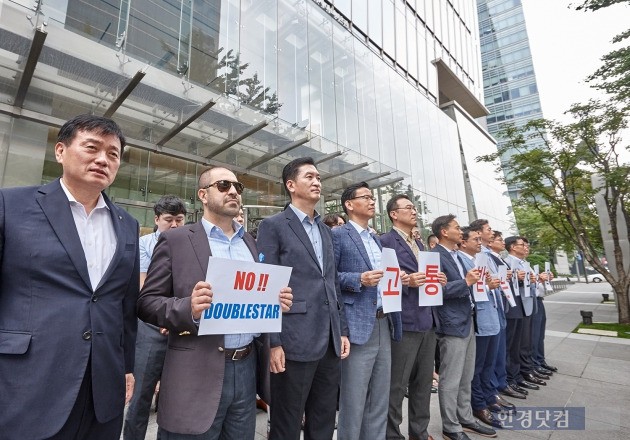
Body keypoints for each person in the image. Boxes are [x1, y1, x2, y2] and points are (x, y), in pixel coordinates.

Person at [0, 114, 139, 439]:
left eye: (113, 154)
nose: (103, 159)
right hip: (27, 382)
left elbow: (125, 305)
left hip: (103, 388)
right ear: (60, 151)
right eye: (92, 147)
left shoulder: (127, 223)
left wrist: (127, 366)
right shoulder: (11, 204)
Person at [137, 167, 292, 439]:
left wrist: (274, 299)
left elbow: (252, 298)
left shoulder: (250, 243)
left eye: (237, 187)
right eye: (223, 185)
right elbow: (147, 303)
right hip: (195, 372)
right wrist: (189, 308)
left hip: (245, 370)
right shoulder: (176, 240)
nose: (233, 191)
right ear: (203, 195)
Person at [256, 157, 350, 440]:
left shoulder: (325, 230)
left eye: (319, 178)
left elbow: (331, 283)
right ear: (291, 184)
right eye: (309, 176)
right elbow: (266, 285)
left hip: (329, 342)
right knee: (287, 422)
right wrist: (274, 342)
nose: (317, 182)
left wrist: (342, 329)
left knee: (322, 420)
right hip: (294, 340)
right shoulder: (273, 225)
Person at [332, 183, 403, 440]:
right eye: (366, 197)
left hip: (384, 321)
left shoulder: (375, 238)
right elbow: (329, 278)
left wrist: (398, 278)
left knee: (379, 397)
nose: (372, 201)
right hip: (357, 325)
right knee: (354, 398)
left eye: (373, 197)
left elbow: (384, 278)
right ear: (349, 204)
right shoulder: (339, 235)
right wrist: (358, 279)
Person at [381, 195, 445, 440]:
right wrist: (405, 280)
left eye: (414, 207)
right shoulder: (385, 242)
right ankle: (392, 434)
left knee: (422, 386)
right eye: (408, 207)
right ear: (393, 214)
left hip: (428, 322)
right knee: (396, 387)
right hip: (404, 322)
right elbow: (384, 278)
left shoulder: (420, 244)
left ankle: (420, 432)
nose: (413, 211)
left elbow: (427, 276)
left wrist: (438, 280)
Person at [124, 195, 187, 440]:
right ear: (157, 219)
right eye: (168, 220)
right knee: (141, 395)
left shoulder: (191, 243)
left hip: (181, 327)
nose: (174, 225)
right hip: (151, 327)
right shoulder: (144, 244)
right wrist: (164, 318)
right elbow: (144, 286)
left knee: (175, 400)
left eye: (179, 220)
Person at [431, 215, 495, 440]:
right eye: (457, 228)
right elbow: (436, 292)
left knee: (466, 375)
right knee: (451, 378)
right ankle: (450, 426)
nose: (461, 231)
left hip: (468, 319)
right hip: (451, 324)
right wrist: (466, 282)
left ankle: (465, 417)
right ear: (444, 232)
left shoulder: (457, 255)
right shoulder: (434, 256)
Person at [457, 227, 503, 429]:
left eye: (479, 239)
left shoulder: (480, 260)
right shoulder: (461, 260)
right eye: (475, 239)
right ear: (463, 242)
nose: (479, 242)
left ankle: (488, 396)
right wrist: (486, 286)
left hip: (491, 316)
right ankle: (478, 404)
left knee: (488, 363)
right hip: (478, 319)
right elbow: (466, 287)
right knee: (476, 366)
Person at [487, 231, 526, 401]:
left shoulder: (499, 258)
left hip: (508, 304)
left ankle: (509, 379)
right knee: (502, 349)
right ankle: (502, 382)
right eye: (498, 239)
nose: (501, 241)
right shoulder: (486, 257)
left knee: (511, 346)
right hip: (499, 306)